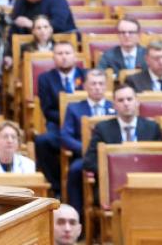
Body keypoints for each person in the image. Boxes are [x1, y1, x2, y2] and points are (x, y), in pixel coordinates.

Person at [34, 41, 85, 196]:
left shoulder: (87, 76)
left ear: (75, 56)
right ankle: (57, 188)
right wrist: (68, 117)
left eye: (67, 53)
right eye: (59, 53)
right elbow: (47, 110)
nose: (64, 57)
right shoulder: (45, 78)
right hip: (58, 125)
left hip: (84, 126)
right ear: (53, 57)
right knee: (42, 142)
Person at [60, 69, 112, 215]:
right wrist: (86, 150)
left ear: (106, 86)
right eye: (93, 84)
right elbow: (65, 136)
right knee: (75, 170)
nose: (97, 87)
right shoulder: (74, 108)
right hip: (86, 156)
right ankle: (76, 215)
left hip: (111, 156)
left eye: (101, 84)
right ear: (85, 86)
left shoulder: (115, 107)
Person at [83, 86, 162, 177]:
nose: (126, 103)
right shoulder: (102, 129)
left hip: (144, 178)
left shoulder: (152, 128)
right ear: (114, 105)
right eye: (121, 100)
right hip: (113, 178)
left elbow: (160, 159)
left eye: (129, 99)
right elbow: (89, 162)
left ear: (137, 102)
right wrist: (116, 170)